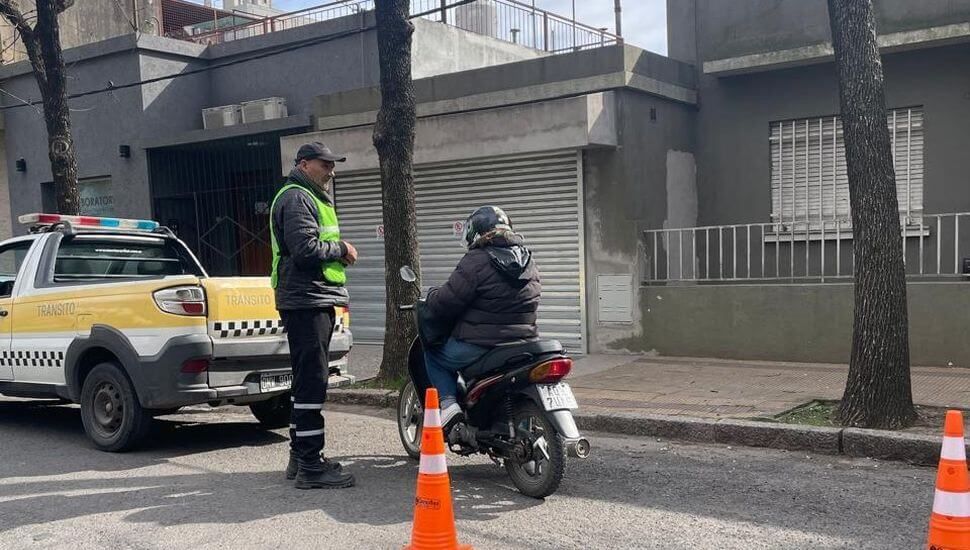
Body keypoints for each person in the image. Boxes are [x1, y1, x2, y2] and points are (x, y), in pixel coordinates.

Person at [270, 142, 358, 490]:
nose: (331, 170)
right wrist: (342, 249)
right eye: (325, 164)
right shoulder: (297, 198)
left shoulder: (304, 196)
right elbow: (305, 250)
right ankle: (310, 465)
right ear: (305, 164)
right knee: (312, 381)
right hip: (306, 300)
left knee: (307, 379)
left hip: (310, 298)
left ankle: (299, 457)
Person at [423, 206, 541, 432]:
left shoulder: (476, 260)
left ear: (476, 232)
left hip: (482, 346)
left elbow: (447, 301)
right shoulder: (528, 260)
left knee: (433, 354)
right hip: (524, 343)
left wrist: (431, 297)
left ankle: (448, 406)